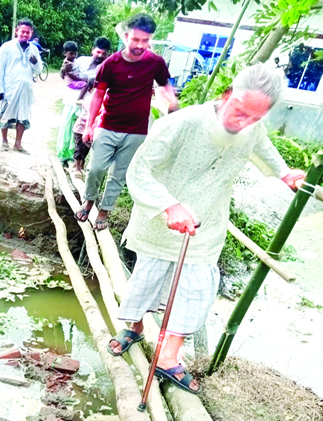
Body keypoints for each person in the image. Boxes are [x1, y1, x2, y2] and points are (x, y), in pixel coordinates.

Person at [107, 64, 307, 395]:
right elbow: (139, 171)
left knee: (197, 288)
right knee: (147, 279)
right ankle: (135, 327)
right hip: (161, 222)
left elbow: (263, 144)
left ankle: (168, 358)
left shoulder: (252, 128)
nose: (243, 123)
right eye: (240, 112)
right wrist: (169, 206)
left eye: (254, 118)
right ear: (227, 95)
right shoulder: (181, 124)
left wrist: (285, 172)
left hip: (207, 224)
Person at [75, 14, 179, 230]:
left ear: (150, 39)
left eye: (145, 40)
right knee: (95, 169)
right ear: (126, 37)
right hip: (107, 125)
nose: (140, 45)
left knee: (118, 175)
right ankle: (89, 201)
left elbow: (165, 85)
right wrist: (88, 126)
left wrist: (172, 101)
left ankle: (104, 212)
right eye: (135, 40)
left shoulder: (155, 62)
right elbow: (98, 95)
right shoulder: (111, 63)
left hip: (136, 131)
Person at [56, 37, 111, 164]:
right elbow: (64, 74)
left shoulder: (107, 67)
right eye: (98, 52)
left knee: (80, 131)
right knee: (67, 128)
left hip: (89, 104)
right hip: (71, 100)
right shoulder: (81, 60)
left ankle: (74, 160)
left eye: (103, 54)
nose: (100, 55)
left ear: (107, 54)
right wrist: (62, 70)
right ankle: (63, 155)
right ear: (92, 50)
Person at [0, 18, 42, 152]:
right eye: (22, 32)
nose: (25, 35)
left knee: (23, 115)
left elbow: (39, 70)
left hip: (26, 89)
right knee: (5, 114)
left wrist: (35, 62)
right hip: (9, 87)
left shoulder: (34, 49)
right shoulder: (7, 47)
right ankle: (4, 141)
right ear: (16, 31)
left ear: (31, 33)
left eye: (28, 32)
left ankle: (18, 143)